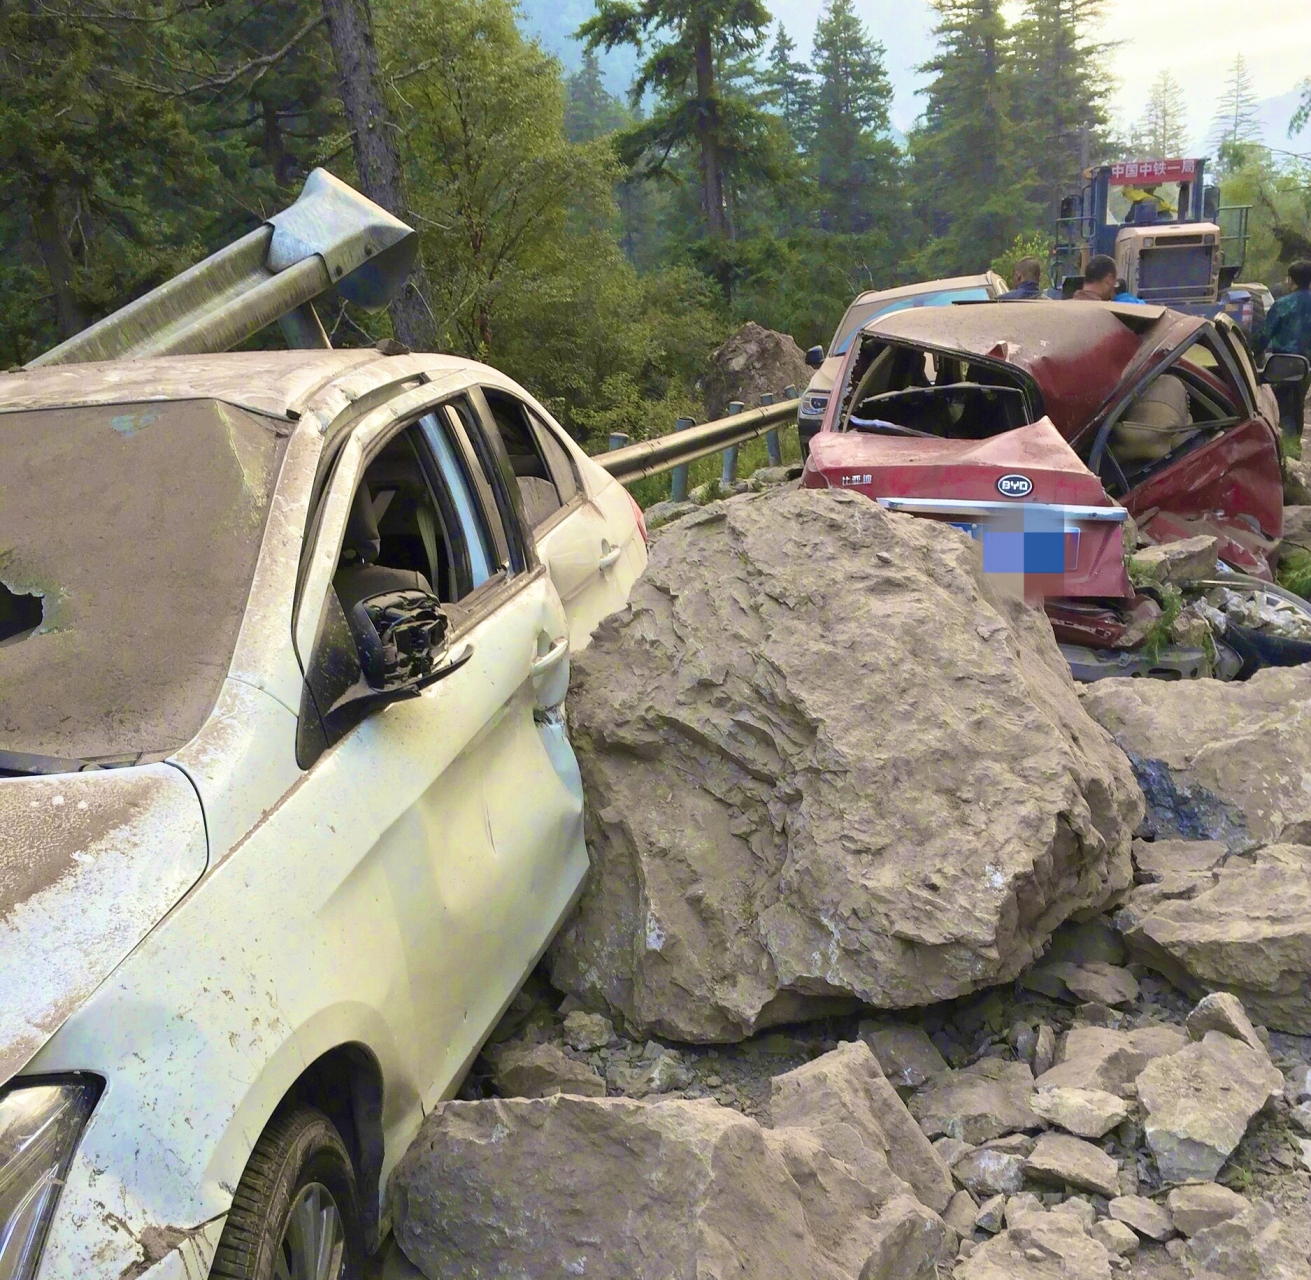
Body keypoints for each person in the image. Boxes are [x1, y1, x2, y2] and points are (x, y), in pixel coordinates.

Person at [1254, 259, 1311, 438]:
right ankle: (1294, 447)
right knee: (1298, 404)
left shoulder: (1283, 304)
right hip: (1307, 365)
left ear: (1290, 280)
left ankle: (1285, 447)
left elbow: (1264, 334)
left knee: (1282, 406)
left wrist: (1251, 354)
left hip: (1283, 364)